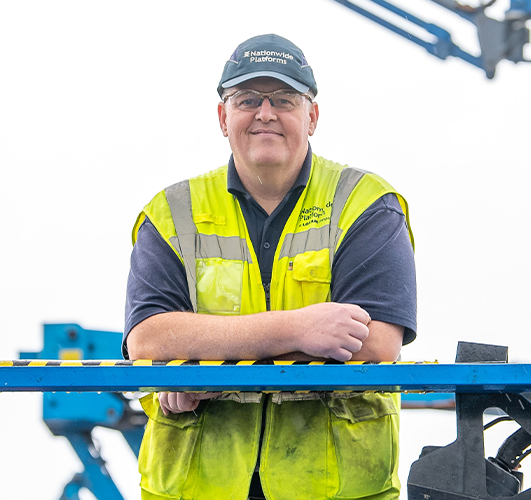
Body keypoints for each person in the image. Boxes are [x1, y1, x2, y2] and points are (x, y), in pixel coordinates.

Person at [123, 33, 417, 500]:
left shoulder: (365, 205)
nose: (265, 113)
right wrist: (299, 329)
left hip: (335, 488)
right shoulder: (170, 211)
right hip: (197, 488)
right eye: (246, 100)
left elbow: (375, 345)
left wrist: (204, 363)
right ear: (223, 117)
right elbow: (149, 339)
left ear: (312, 116)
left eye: (283, 99)